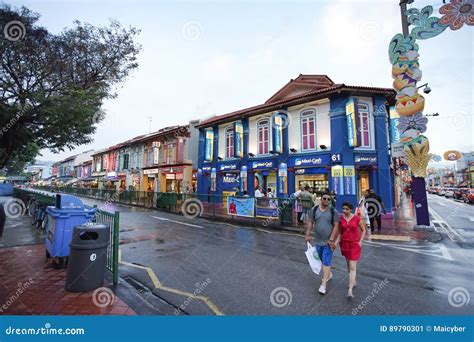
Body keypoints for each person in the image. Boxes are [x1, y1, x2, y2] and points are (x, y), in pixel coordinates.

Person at [304, 192, 339, 295]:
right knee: (320, 259)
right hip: (318, 240)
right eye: (325, 198)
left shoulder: (333, 211)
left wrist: (332, 239)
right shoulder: (314, 209)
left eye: (329, 199)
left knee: (326, 261)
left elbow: (336, 225)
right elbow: (311, 223)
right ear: (321, 199)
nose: (327, 201)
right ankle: (329, 274)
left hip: (328, 242)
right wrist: (307, 234)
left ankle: (323, 284)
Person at [338, 202, 366, 300]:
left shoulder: (357, 218)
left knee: (353, 266)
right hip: (344, 244)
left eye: (346, 209)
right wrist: (336, 242)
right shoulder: (341, 219)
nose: (344, 211)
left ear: (350, 209)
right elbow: (339, 233)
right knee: (348, 265)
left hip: (354, 244)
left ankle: (350, 290)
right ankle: (353, 281)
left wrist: (361, 241)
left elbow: (364, 230)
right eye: (343, 209)